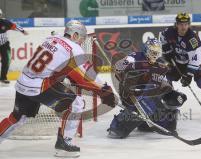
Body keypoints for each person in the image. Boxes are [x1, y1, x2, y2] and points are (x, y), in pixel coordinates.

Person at [0, 20, 115, 157]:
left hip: (22, 82)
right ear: (75, 35)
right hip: (39, 86)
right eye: (81, 38)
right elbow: (87, 76)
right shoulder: (75, 48)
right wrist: (104, 88)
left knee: (17, 118)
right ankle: (64, 144)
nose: (81, 42)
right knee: (77, 103)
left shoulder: (50, 38)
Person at [107, 38, 187, 139]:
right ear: (146, 50)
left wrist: (171, 93)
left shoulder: (161, 64)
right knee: (118, 130)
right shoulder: (134, 57)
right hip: (133, 95)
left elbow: (165, 84)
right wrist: (122, 74)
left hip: (150, 95)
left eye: (156, 52)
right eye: (152, 52)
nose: (154, 55)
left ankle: (149, 124)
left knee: (175, 98)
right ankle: (120, 124)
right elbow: (119, 67)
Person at [160, 12, 201, 115]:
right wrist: (167, 51)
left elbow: (197, 58)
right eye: (181, 24)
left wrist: (189, 75)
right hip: (179, 61)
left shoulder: (192, 39)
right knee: (165, 78)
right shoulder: (169, 32)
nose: (183, 27)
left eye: (186, 24)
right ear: (176, 24)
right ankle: (171, 106)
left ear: (189, 24)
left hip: (197, 62)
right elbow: (163, 37)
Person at [0, 9, 28, 84]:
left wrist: (22, 31)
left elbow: (15, 26)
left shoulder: (5, 22)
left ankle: (3, 77)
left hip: (4, 44)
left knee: (6, 60)